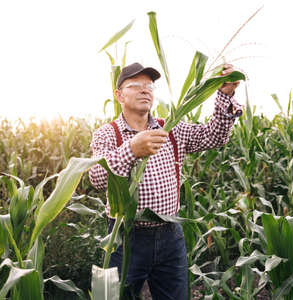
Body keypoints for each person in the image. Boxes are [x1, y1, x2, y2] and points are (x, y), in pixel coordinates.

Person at [89, 62, 242, 299]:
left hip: (171, 236)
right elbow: (97, 178)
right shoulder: (108, 134)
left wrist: (225, 93)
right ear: (118, 95)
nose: (144, 90)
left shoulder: (170, 128)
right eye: (135, 85)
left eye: (149, 85)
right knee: (112, 296)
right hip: (124, 238)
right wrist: (132, 149)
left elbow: (214, 137)